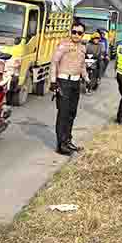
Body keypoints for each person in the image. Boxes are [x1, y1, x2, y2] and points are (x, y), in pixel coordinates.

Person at [50, 22, 89, 155]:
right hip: (63, 82)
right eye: (74, 32)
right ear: (70, 32)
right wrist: (53, 81)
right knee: (63, 114)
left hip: (75, 83)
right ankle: (61, 145)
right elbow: (54, 62)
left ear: (83, 34)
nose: (76, 35)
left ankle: (68, 140)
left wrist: (87, 78)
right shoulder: (63, 45)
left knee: (72, 113)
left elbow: (82, 65)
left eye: (79, 33)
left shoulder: (83, 48)